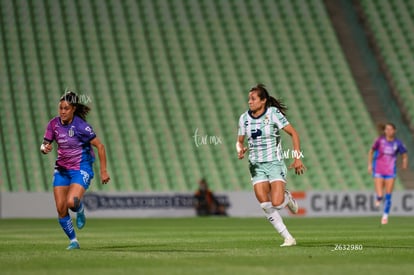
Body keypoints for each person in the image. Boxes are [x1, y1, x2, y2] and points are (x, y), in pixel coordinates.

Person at [236, 84, 305, 247]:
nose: (249, 102)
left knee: (277, 203)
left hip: (274, 163)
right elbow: (239, 141)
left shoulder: (273, 114)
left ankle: (287, 198)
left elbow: (294, 133)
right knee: (265, 204)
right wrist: (240, 150)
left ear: (263, 101)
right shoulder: (244, 118)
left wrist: (297, 158)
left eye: (253, 99)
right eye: (249, 99)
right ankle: (288, 238)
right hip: (256, 166)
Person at [40, 91, 110, 250]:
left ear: (73, 109)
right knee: (61, 208)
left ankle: (80, 209)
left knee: (71, 202)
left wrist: (103, 171)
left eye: (66, 108)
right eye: (60, 108)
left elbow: (100, 146)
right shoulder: (53, 124)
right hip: (61, 170)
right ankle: (73, 241)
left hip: (81, 168)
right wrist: (45, 148)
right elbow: (44, 144)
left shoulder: (81, 126)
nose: (63, 111)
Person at [368, 122, 407, 225]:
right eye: (387, 129)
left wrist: (404, 162)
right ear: (384, 131)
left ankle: (385, 216)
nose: (389, 131)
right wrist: (370, 164)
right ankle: (379, 198)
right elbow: (371, 151)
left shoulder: (398, 143)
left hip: (390, 172)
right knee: (380, 194)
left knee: (388, 195)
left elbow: (404, 154)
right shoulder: (380, 141)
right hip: (378, 171)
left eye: (391, 129)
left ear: (394, 131)